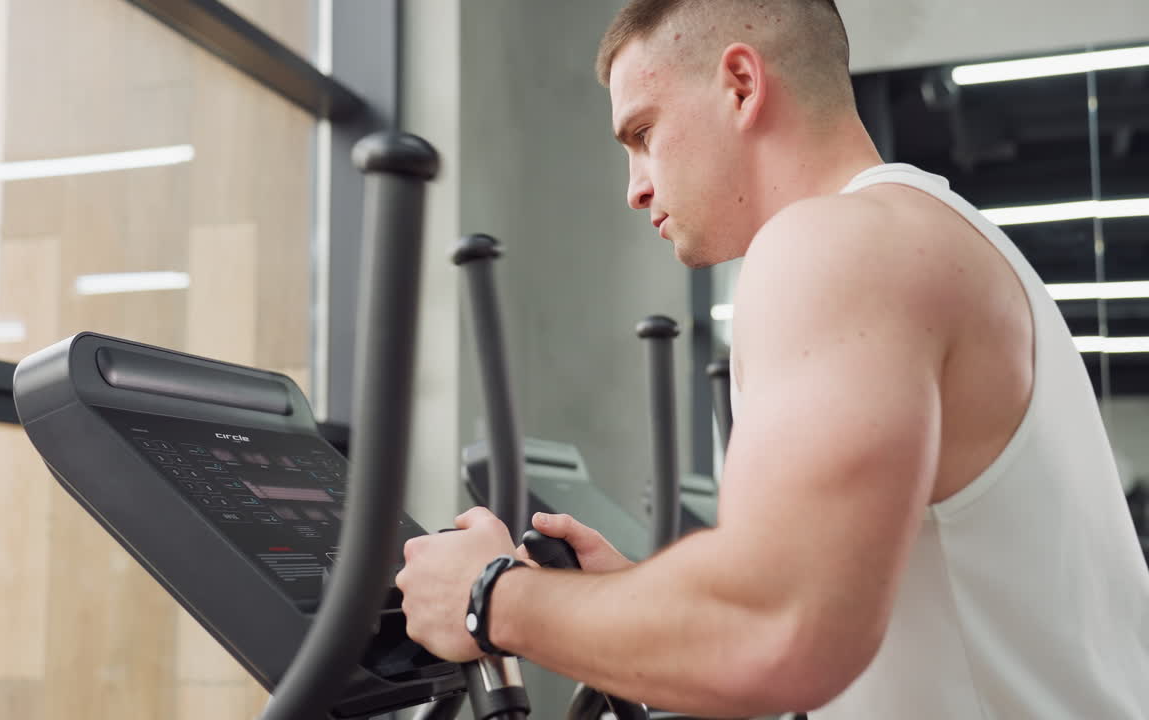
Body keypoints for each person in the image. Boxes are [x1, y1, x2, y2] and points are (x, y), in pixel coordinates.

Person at [394, 0, 1149, 716]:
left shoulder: (836, 244)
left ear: (741, 84)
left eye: (644, 133)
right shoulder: (938, 236)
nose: (636, 188)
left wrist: (488, 596)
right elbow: (810, 617)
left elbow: (778, 631)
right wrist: (647, 606)